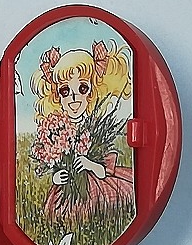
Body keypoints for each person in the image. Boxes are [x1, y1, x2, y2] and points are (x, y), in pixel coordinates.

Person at [29, 40, 134, 220]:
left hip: (96, 185)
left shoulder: (96, 128)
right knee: (59, 216)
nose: (74, 96)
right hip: (67, 189)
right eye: (65, 91)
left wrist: (89, 164)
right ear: (56, 97)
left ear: (92, 93)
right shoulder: (56, 129)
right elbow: (55, 163)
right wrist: (56, 178)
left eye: (82, 88)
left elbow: (104, 170)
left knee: (103, 208)